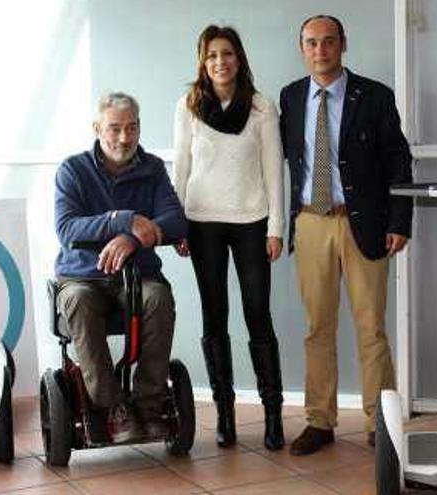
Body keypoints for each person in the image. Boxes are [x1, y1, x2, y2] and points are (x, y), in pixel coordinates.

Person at [279, 15, 413, 456]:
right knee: (317, 328)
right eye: (312, 43)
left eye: (329, 42)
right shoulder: (291, 97)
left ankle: (381, 422)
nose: (321, 50)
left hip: (365, 224)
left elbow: (398, 160)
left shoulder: (374, 96)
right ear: (302, 48)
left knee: (371, 328)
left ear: (343, 45)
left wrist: (399, 221)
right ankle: (319, 421)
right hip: (311, 222)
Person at [172, 25, 286, 450]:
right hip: (202, 223)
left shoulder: (261, 107)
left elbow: (275, 173)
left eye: (228, 54)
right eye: (212, 55)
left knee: (259, 316)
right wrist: (177, 225)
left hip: (252, 220)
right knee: (213, 317)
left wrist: (276, 228)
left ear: (239, 59)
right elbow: (180, 169)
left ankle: (273, 415)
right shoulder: (188, 106)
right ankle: (225, 414)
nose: (221, 62)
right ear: (203, 62)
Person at [54, 92, 187, 443]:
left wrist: (133, 239)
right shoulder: (73, 170)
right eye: (114, 129)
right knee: (79, 301)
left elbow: (175, 220)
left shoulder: (153, 169)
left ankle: (148, 404)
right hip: (83, 278)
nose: (124, 138)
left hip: (138, 276)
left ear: (139, 128)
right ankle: (110, 407)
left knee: (158, 297)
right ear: (98, 128)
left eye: (131, 128)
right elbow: (67, 229)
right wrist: (123, 220)